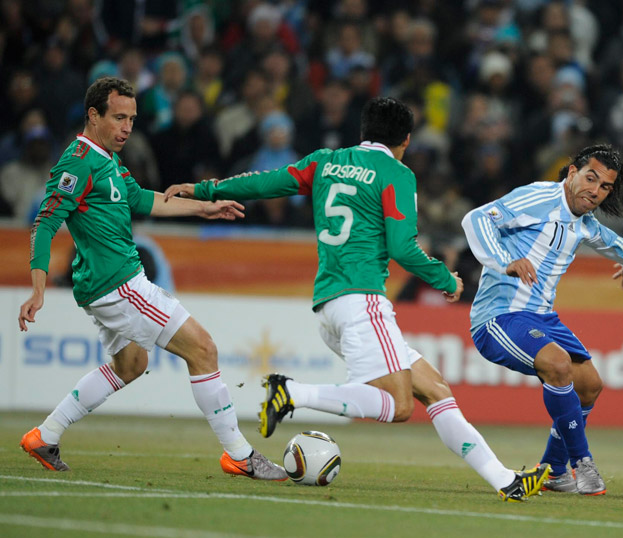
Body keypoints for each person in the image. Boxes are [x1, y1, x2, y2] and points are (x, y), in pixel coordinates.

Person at [164, 96, 549, 501]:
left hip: (330, 305)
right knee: (399, 406)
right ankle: (293, 393)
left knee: (435, 389)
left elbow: (265, 182)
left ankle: (505, 480)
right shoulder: (396, 173)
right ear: (406, 139)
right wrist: (445, 279)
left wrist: (206, 189)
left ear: (363, 131)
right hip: (363, 301)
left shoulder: (324, 162)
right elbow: (402, 247)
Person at [18, 77, 286, 481]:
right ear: (93, 115)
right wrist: (38, 290)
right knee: (204, 349)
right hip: (120, 284)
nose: (127, 127)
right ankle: (240, 455)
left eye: (132, 119)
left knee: (131, 364)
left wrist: (203, 208)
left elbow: (143, 199)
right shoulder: (79, 162)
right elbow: (44, 223)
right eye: (119, 118)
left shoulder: (108, 159)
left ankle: (45, 435)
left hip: (101, 285)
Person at [461, 144, 623, 496]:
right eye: (590, 178)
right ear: (572, 173)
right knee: (558, 364)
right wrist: (504, 260)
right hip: (500, 316)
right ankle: (582, 463)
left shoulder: (585, 224)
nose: (595, 191)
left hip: (543, 318)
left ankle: (554, 471)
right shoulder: (538, 197)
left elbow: (620, 245)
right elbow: (476, 219)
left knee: (589, 385)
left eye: (605, 186)